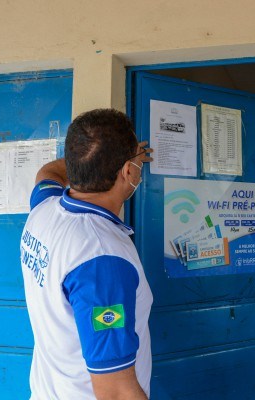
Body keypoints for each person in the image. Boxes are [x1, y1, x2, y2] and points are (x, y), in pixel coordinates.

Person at [20, 108, 154, 399]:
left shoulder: (44, 208)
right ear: (128, 172)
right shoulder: (102, 258)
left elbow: (49, 172)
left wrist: (106, 157)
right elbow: (116, 392)